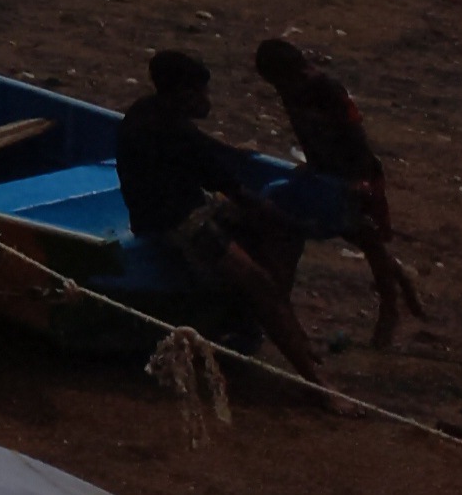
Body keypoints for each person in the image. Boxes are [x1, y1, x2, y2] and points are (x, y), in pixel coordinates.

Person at [118, 48, 324, 385]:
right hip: (174, 222)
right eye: (202, 91)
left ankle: (263, 317)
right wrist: (296, 223)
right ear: (185, 94)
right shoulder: (176, 133)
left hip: (186, 206)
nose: (206, 99)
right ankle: (317, 382)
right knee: (261, 280)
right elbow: (240, 194)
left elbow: (203, 151)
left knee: (276, 245)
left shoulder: (146, 111)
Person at [255, 37, 426, 348]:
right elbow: (304, 131)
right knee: (353, 233)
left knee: (369, 239)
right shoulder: (289, 89)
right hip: (324, 170)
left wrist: (360, 180)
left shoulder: (327, 90)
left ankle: (389, 310)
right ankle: (399, 276)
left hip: (356, 173)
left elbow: (355, 136)